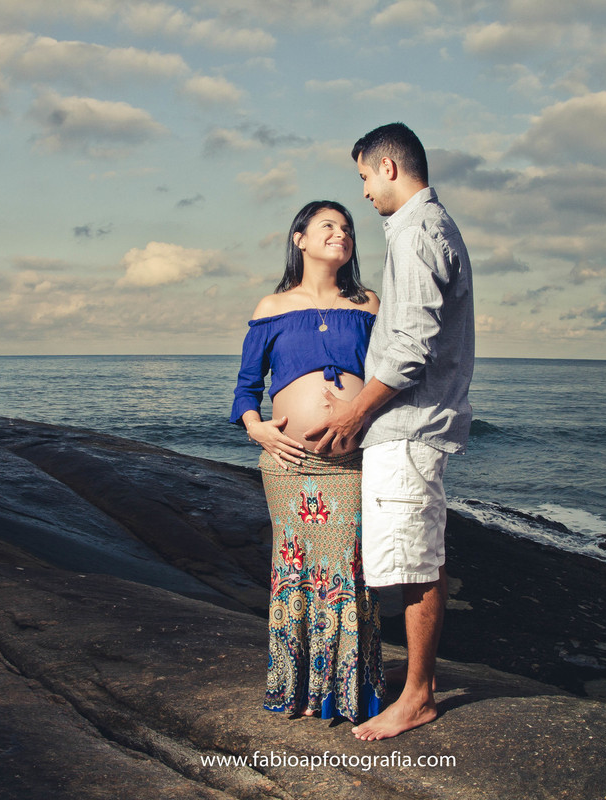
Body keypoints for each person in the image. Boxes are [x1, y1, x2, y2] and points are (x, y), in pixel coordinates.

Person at [305, 123, 474, 741]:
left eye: (365, 178)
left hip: (407, 427)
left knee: (416, 562)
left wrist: (355, 414)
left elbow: (410, 347)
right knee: (405, 558)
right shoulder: (421, 230)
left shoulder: (417, 231)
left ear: (389, 167)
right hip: (403, 429)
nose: (365, 192)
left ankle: (418, 696)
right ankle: (410, 689)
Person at [230, 200, 385, 722]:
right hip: (288, 463)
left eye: (347, 228)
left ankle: (345, 694)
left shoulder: (369, 304)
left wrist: (359, 416)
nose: (340, 233)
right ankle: (293, 689)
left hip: (350, 463)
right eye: (328, 226)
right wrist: (258, 432)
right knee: (293, 572)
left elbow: (392, 378)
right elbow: (247, 389)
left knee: (347, 573)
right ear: (299, 238)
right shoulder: (272, 306)